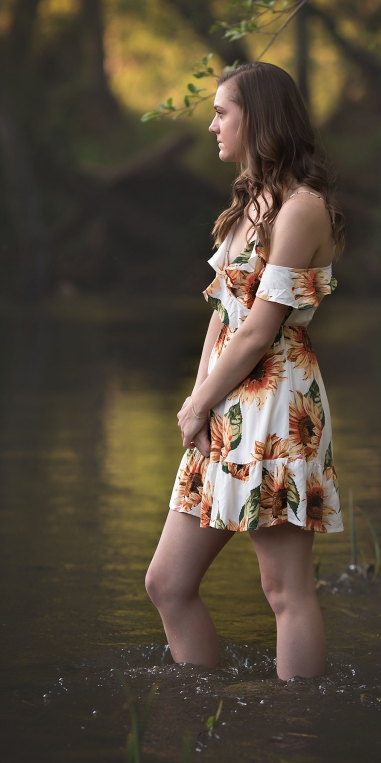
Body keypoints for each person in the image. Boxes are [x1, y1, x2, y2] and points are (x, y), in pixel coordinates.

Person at [145, 62, 345, 680]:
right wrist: (200, 397)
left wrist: (199, 402)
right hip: (225, 399)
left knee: (284, 591)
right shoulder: (246, 207)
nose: (211, 126)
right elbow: (224, 315)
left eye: (221, 112)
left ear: (257, 119)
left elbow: (261, 328)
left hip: (279, 405)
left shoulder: (302, 209)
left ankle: (296, 730)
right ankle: (203, 712)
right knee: (167, 583)